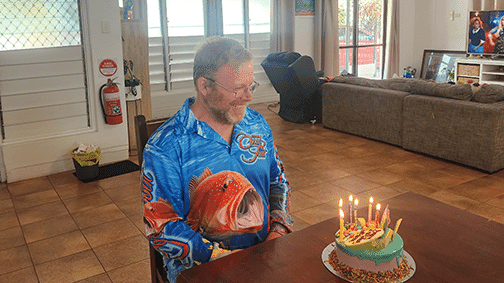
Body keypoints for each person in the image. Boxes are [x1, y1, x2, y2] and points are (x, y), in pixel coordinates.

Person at [141, 36, 294, 282]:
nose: (248, 97)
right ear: (204, 86)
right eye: (237, 89)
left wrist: (277, 232)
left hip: (266, 256)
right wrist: (222, 257)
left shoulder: (257, 124)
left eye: (251, 86)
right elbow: (161, 225)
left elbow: (278, 182)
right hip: (201, 271)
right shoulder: (166, 145)